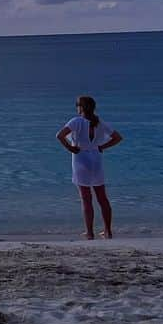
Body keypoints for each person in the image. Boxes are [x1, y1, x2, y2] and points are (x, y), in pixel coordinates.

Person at [57, 96, 122, 239]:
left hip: (81, 160)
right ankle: (108, 231)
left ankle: (90, 233)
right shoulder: (99, 122)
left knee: (86, 199)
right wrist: (102, 146)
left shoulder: (76, 121)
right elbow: (117, 137)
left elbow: (60, 135)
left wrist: (71, 148)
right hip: (96, 161)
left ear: (80, 107)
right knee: (102, 198)